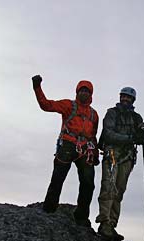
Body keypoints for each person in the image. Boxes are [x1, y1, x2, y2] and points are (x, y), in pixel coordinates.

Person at [32, 75, 99, 227]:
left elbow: (93, 135)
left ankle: (81, 216)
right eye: (82, 90)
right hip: (67, 145)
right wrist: (37, 87)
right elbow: (46, 105)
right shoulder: (68, 105)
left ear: (91, 94)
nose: (84, 93)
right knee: (58, 178)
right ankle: (49, 209)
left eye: (87, 91)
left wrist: (94, 153)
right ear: (77, 92)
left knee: (88, 183)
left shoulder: (94, 115)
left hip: (85, 149)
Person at [96, 87, 144, 240]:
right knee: (108, 187)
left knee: (119, 190)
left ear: (132, 100)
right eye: (123, 97)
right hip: (112, 154)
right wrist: (130, 138)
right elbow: (107, 134)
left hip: (127, 157)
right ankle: (104, 223)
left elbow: (143, 138)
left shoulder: (136, 117)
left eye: (128, 97)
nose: (125, 99)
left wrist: (141, 132)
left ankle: (112, 224)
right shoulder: (112, 113)